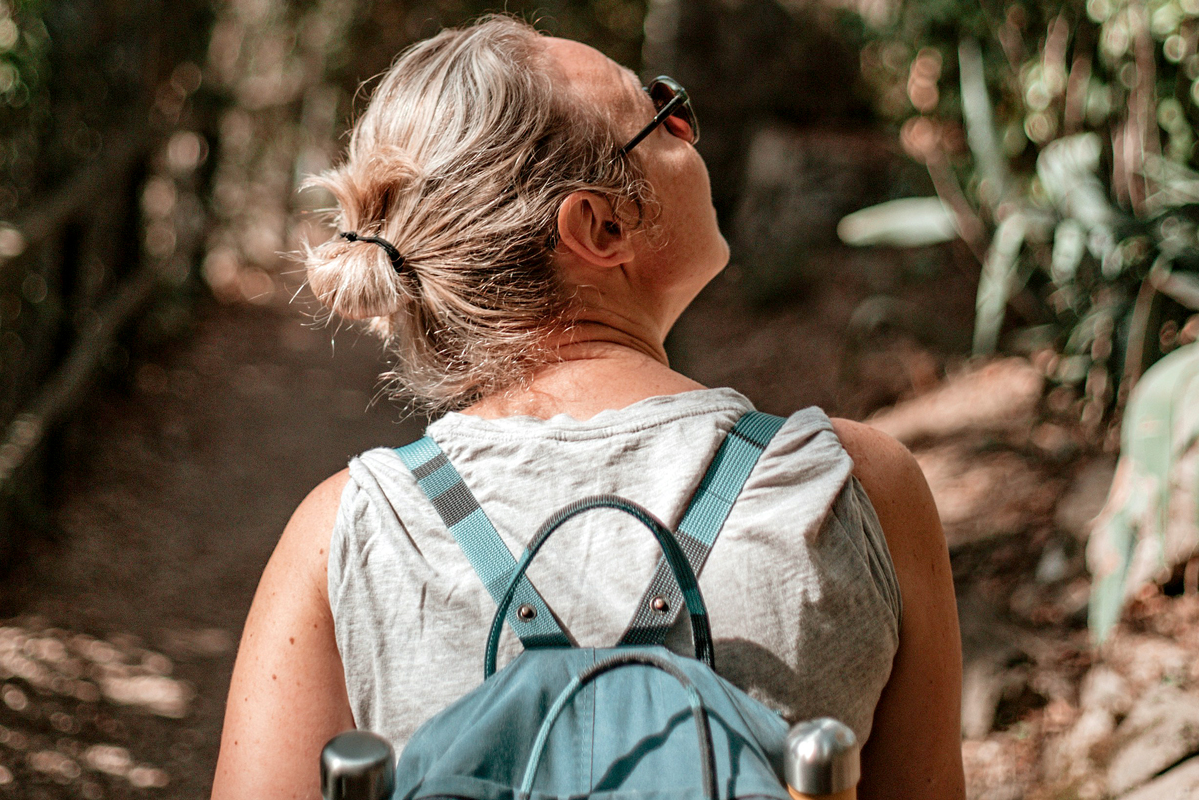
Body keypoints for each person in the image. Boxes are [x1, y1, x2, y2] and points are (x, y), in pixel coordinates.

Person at [211, 15, 965, 800]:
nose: (684, 124)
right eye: (659, 110)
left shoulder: (353, 530)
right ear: (600, 226)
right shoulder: (855, 488)